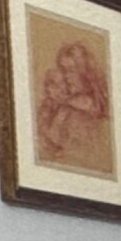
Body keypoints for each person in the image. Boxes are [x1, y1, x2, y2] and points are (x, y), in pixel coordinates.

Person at [35, 40, 111, 170]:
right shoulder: (65, 106)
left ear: (84, 72)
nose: (66, 76)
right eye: (64, 70)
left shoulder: (94, 106)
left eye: (71, 70)